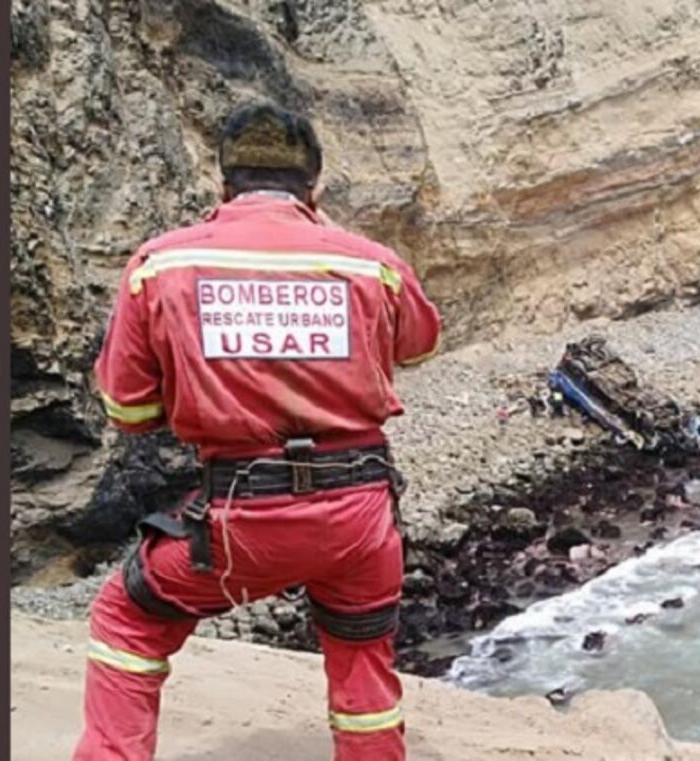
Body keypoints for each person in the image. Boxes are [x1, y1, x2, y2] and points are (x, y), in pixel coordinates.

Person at [74, 102, 441, 761]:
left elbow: (126, 410)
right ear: (316, 189)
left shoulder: (161, 265)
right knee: (362, 666)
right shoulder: (369, 264)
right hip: (358, 512)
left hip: (240, 517)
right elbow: (416, 345)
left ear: (223, 185)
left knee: (127, 617)